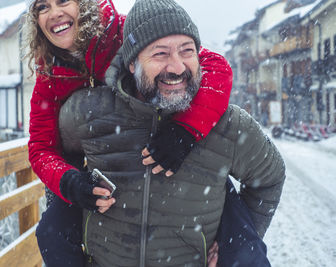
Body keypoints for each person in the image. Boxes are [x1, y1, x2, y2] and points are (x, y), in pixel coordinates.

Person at [56, 0, 286, 266]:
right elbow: (55, 157)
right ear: (132, 63)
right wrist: (70, 199)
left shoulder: (228, 125)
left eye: (187, 51)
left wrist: (235, 243)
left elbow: (270, 177)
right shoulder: (87, 112)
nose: (177, 68)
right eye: (160, 54)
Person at [23, 0, 232, 265]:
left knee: (232, 219)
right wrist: (69, 180)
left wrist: (186, 129)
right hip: (103, 161)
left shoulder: (121, 32)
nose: (54, 13)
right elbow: (41, 147)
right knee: (52, 233)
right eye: (42, 7)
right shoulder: (50, 72)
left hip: (167, 139)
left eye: (63, 1)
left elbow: (214, 67)